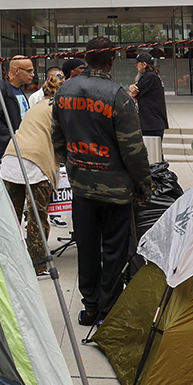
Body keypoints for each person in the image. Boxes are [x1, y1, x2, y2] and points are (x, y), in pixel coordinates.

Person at [50, 38, 152, 329]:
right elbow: (133, 149)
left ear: (86, 58)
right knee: (114, 252)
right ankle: (109, 310)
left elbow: (58, 138)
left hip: (82, 187)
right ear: (111, 61)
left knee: (87, 248)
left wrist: (72, 164)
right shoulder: (117, 96)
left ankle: (91, 308)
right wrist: (144, 185)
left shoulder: (64, 91)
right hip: (116, 192)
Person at [0, 69, 62, 275]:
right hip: (36, 162)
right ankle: (38, 264)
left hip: (12, 157)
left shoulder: (37, 106)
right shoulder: (59, 108)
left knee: (11, 215)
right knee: (37, 217)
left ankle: (8, 259)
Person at [0, 55, 36, 162]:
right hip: (8, 150)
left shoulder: (18, 89)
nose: (33, 74)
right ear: (17, 71)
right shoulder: (2, 89)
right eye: (29, 71)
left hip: (22, 146)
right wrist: (11, 137)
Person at [129, 53, 168, 163]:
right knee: (153, 155)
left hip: (151, 124)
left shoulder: (150, 77)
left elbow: (134, 92)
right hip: (152, 122)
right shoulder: (151, 76)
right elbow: (135, 87)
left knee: (152, 156)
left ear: (144, 64)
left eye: (137, 63)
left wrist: (131, 90)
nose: (136, 66)